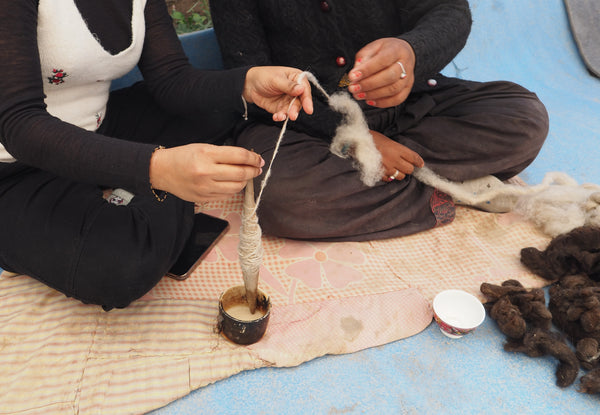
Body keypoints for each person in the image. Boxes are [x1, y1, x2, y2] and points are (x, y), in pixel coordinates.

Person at [0, 0, 313, 310]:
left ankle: (136, 189)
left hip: (96, 126)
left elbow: (171, 77)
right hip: (16, 166)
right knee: (120, 267)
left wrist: (245, 83)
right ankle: (152, 193)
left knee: (219, 111)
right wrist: (156, 167)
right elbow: (18, 124)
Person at [210, 0, 549, 241]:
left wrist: (413, 52)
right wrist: (356, 138)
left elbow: (448, 10)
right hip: (301, 122)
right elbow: (250, 76)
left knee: (524, 118)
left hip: (413, 105)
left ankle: (394, 178)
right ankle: (451, 187)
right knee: (282, 199)